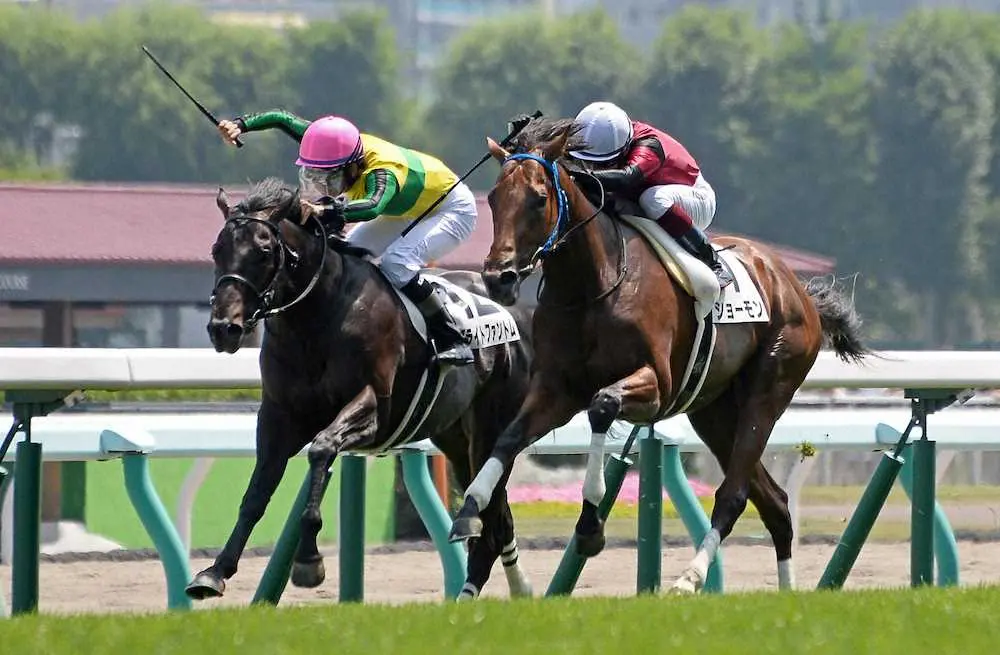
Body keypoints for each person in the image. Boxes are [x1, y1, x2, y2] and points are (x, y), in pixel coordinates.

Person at [217, 110, 476, 366]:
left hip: (450, 209)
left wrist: (324, 210)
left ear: (353, 167)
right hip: (405, 207)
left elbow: (372, 207)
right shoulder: (326, 142)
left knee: (396, 263)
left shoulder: (383, 171)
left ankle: (451, 337)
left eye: (330, 178)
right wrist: (240, 125)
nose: (322, 186)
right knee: (345, 251)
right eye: (315, 176)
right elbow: (281, 119)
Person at [566, 101, 733, 288]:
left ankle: (710, 259)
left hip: (697, 200)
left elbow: (626, 178)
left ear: (625, 148)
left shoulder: (649, 146)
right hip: (646, 197)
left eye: (603, 164)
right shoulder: (606, 137)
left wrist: (580, 175)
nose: (594, 168)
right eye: (587, 162)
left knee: (653, 199)